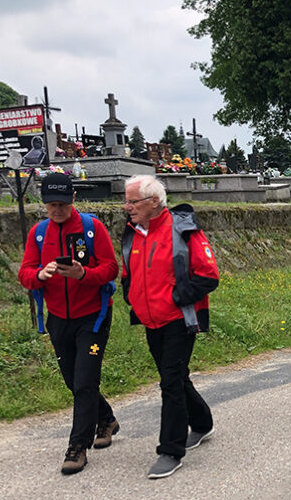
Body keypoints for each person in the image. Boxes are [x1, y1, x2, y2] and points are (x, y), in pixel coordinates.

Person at [17, 173, 120, 475]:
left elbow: (111, 268)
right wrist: (40, 274)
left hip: (93, 317)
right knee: (72, 381)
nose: (57, 210)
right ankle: (106, 419)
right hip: (59, 319)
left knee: (85, 380)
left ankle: (77, 447)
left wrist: (83, 274)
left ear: (73, 199)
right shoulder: (38, 233)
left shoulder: (92, 228)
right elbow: (25, 273)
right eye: (52, 205)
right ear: (44, 203)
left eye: (62, 203)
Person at [121, 174, 219, 479]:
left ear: (154, 201)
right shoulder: (133, 233)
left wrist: (175, 299)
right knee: (175, 376)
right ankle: (202, 423)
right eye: (126, 201)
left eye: (132, 201)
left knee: (171, 382)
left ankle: (170, 451)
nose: (127, 207)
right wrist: (131, 297)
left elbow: (208, 276)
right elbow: (129, 273)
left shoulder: (183, 229)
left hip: (179, 319)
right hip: (151, 320)